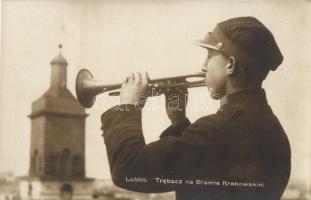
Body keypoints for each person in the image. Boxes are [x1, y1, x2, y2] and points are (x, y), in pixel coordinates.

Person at [100, 16, 291, 200]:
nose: (203, 66)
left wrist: (128, 107)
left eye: (209, 56)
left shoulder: (217, 130)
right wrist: (179, 121)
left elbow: (129, 168)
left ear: (230, 65)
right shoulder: (269, 127)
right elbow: (204, 169)